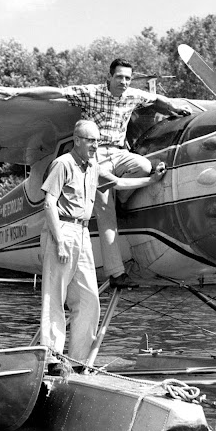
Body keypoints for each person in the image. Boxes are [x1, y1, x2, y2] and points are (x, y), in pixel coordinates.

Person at [0, 58, 190, 289]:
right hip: (95, 156)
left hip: (119, 153)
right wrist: (19, 93)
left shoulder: (132, 96)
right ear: (109, 77)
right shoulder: (91, 93)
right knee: (107, 213)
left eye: (128, 78)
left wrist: (173, 108)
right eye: (119, 77)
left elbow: (156, 99)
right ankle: (116, 273)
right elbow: (56, 93)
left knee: (144, 166)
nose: (124, 82)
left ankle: (121, 199)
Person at [40, 119, 166, 375]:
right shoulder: (63, 164)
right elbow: (49, 203)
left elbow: (118, 183)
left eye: (97, 141)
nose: (95, 146)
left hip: (83, 232)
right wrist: (60, 241)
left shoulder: (93, 167)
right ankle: (51, 359)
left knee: (89, 298)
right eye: (90, 141)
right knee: (55, 297)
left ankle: (77, 362)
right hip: (62, 229)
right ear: (77, 140)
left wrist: (152, 180)